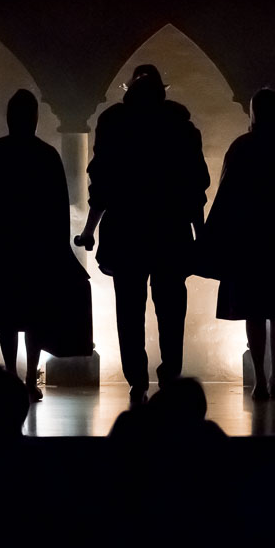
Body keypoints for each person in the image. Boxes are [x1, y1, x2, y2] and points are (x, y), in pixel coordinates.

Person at [75, 64, 210, 406]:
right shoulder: (179, 127)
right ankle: (170, 376)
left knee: (129, 311)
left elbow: (101, 185)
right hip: (170, 231)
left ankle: (137, 380)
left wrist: (90, 229)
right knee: (171, 310)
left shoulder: (115, 125)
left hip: (126, 232)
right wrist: (200, 234)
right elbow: (194, 188)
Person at [199, 88, 275, 400]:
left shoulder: (241, 148)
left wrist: (210, 241)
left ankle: (260, 379)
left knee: (253, 311)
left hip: (248, 243)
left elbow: (226, 198)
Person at [0, 89, 84, 401]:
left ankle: (10, 374)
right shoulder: (47, 155)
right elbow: (59, 209)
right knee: (36, 318)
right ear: (35, 118)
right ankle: (29, 378)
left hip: (3, 249)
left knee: (6, 318)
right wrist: (60, 250)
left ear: (9, 117)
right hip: (39, 251)